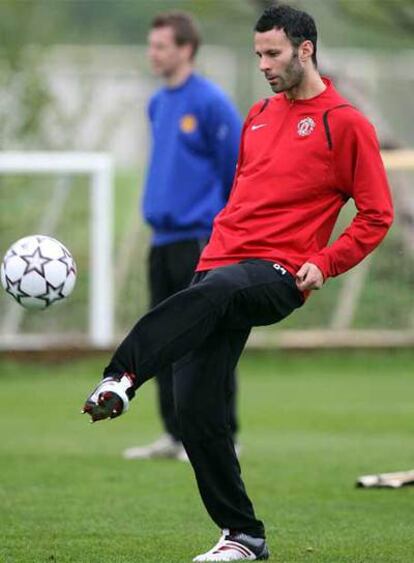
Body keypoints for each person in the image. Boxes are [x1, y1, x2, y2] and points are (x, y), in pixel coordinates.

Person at [82, 4, 393, 561]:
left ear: (305, 49)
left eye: (273, 54)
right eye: (257, 55)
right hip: (218, 261)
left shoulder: (344, 122)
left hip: (278, 273)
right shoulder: (257, 115)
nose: (264, 65)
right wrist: (216, 246)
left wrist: (326, 261)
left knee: (219, 294)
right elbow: (243, 197)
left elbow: (376, 215)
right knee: (197, 406)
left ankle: (121, 376)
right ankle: (243, 535)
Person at [123, 12, 242, 461]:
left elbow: (235, 169)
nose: (153, 53)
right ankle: (174, 435)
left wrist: (229, 232)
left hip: (201, 239)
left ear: (186, 49)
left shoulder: (211, 102)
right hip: (162, 240)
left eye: (161, 46)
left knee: (206, 338)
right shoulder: (158, 102)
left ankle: (222, 432)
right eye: (151, 45)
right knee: (162, 336)